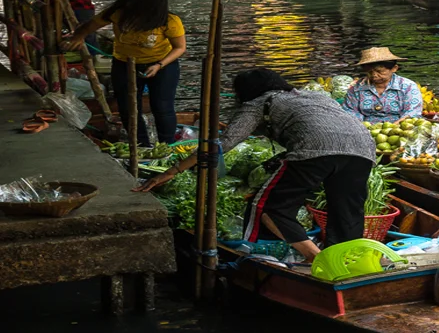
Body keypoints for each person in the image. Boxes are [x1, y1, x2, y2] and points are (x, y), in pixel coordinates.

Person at [134, 69, 376, 261]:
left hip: (316, 150)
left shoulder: (261, 101)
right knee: (347, 212)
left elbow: (224, 143)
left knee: (270, 208)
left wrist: (172, 171)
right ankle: (348, 260)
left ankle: (317, 259)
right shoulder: (315, 96)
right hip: (363, 149)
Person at [62, 0, 185, 146]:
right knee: (128, 109)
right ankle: (141, 145)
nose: (129, 4)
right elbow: (90, 25)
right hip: (124, 64)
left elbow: (179, 48)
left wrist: (160, 65)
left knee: (162, 108)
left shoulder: (169, 21)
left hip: (162, 65)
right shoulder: (118, 14)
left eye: (135, 1)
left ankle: (167, 146)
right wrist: (78, 36)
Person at [341, 47, 423, 123]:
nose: (374, 75)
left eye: (380, 71)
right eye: (369, 71)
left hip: (399, 129)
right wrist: (362, 127)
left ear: (394, 68)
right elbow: (350, 111)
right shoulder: (356, 88)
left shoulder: (408, 86)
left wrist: (394, 127)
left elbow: (413, 112)